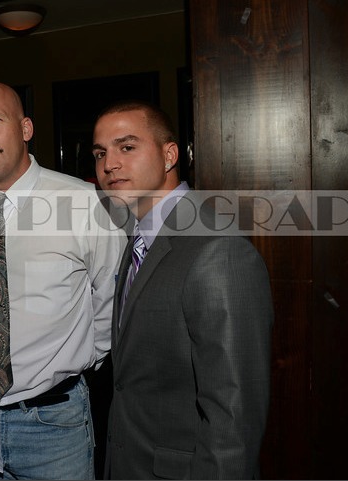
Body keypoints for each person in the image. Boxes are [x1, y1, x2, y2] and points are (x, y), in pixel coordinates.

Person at [0, 79, 125, 479]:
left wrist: (78, 363)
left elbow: (111, 301)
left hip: (54, 426)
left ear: (25, 129)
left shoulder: (86, 205)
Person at [92, 99, 274, 479]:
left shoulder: (217, 250)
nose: (109, 164)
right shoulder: (140, 239)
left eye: (126, 147)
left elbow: (233, 418)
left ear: (169, 154)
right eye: (100, 153)